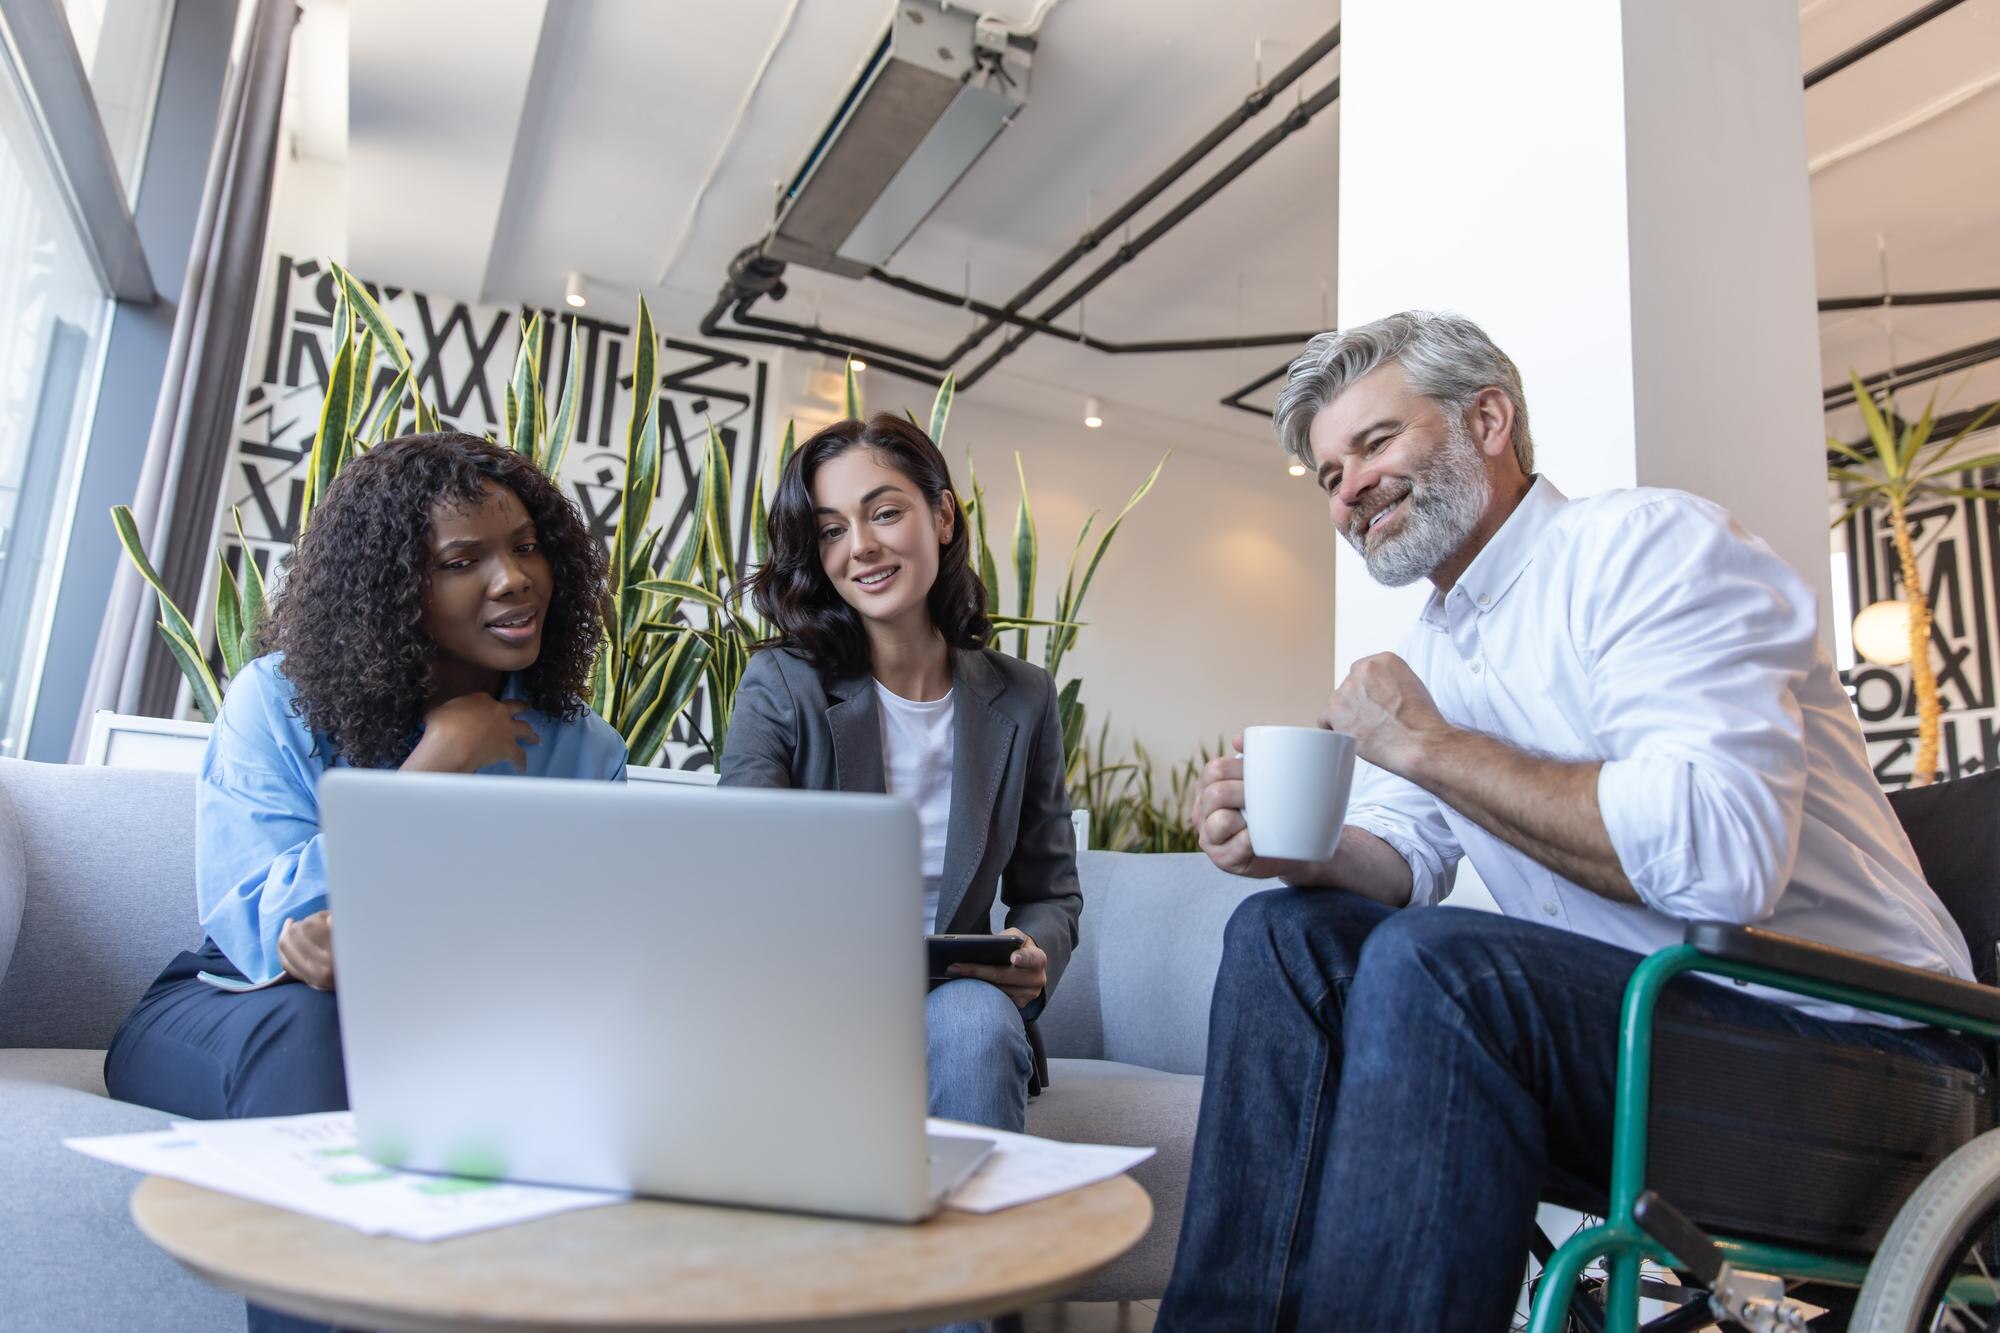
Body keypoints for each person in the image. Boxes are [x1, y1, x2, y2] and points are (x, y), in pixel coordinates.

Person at [1156, 312, 1981, 1331]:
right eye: (1327, 474)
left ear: (1487, 419)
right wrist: (1297, 846)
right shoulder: (1442, 646)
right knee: (1283, 935)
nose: (1348, 488)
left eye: (1374, 443)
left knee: (1442, 966)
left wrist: (1422, 743)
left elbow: (1721, 861)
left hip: (1868, 1069)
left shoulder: (1648, 548)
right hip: (1658, 1044)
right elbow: (1402, 857)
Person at [106, 433, 623, 1328]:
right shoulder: (276, 699)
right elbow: (275, 924)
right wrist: (436, 762)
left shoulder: (585, 750)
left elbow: (583, 957)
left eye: (527, 545)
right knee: (315, 1023)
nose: (513, 579)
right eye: (464, 560)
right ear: (392, 588)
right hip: (239, 1005)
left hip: (445, 1033)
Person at [724, 412, 1082, 1134]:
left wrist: (1036, 949)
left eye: (884, 512)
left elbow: (1050, 891)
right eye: (830, 529)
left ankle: (972, 1252)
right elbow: (739, 867)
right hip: (817, 988)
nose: (861, 547)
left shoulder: (1024, 696)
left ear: (942, 514)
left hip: (958, 993)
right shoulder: (780, 685)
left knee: (976, 1024)